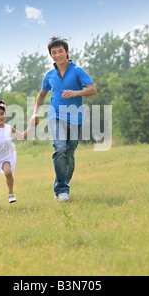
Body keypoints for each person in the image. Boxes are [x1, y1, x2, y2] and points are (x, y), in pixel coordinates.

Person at [33, 37, 97, 202]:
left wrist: (75, 93)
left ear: (67, 52)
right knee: (60, 147)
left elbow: (92, 90)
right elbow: (41, 96)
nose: (57, 55)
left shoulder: (77, 70)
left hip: (75, 117)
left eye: (60, 51)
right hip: (55, 115)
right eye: (54, 52)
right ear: (51, 55)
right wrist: (35, 113)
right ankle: (62, 190)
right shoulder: (49, 75)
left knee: (69, 154)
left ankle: (61, 186)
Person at [0, 100, 35, 210]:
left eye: (2, 114)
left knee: (8, 172)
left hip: (6, 156)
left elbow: (21, 136)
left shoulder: (9, 128)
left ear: (5, 115)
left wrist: (31, 125)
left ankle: (11, 193)